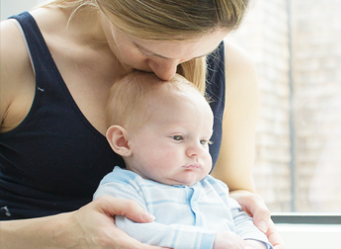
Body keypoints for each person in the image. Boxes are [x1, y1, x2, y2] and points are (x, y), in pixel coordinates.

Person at [0, 0, 285, 248]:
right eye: (147, 49)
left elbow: (232, 188)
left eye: (194, 55)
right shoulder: (10, 54)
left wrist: (245, 212)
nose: (168, 72)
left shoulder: (233, 68)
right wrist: (67, 236)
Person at [94, 71, 273, 249]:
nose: (197, 151)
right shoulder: (122, 188)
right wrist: (207, 241)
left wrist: (253, 242)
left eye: (204, 141)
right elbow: (131, 231)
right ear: (123, 141)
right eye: (178, 137)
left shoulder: (212, 188)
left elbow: (241, 220)